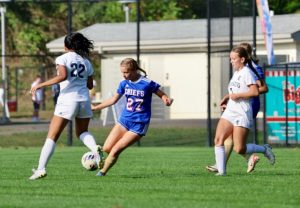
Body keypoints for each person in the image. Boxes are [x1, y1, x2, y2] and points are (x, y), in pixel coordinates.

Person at [29, 32, 103, 180]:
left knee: (52, 136)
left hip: (68, 100)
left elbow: (62, 76)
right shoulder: (86, 61)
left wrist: (41, 85)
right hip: (84, 100)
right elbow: (89, 85)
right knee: (82, 132)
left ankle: (41, 169)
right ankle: (95, 149)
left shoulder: (62, 58)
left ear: (66, 46)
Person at [92, 58, 173, 177]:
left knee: (116, 150)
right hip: (124, 120)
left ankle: (102, 173)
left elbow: (162, 95)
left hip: (139, 124)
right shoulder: (124, 83)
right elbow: (113, 100)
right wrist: (96, 108)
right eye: (122, 73)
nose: (124, 75)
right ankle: (104, 160)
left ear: (134, 70)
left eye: (126, 72)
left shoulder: (147, 83)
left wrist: (166, 100)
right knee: (108, 148)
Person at [206, 42, 269, 173]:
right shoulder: (237, 72)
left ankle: (262, 150)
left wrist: (238, 95)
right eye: (230, 58)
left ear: (243, 58)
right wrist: (228, 97)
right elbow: (237, 89)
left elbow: (258, 90)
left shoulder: (249, 71)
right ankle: (221, 171)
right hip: (231, 110)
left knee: (239, 147)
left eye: (233, 58)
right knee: (219, 139)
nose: (231, 61)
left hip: (243, 111)